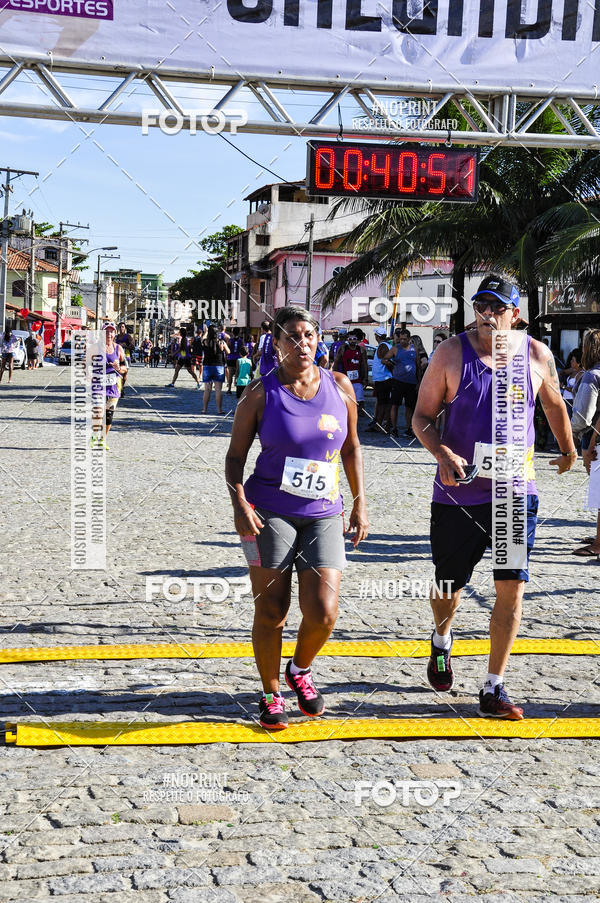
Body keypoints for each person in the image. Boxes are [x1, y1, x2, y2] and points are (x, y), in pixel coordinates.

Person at [413, 274, 577, 719]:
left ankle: (493, 686)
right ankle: (442, 640)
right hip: (458, 495)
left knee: (511, 587)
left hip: (513, 493)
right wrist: (441, 450)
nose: (488, 314)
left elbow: (554, 404)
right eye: (482, 305)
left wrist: (568, 450)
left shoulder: (536, 354)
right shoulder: (450, 353)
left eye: (498, 307)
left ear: (515, 315)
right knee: (449, 584)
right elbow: (423, 418)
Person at [225, 305, 369, 730]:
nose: (302, 342)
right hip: (269, 511)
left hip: (324, 511)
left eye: (309, 334)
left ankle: (300, 669)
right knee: (273, 609)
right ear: (277, 342)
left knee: (323, 611)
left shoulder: (340, 387)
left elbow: (352, 448)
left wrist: (359, 501)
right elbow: (235, 457)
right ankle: (271, 692)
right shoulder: (260, 393)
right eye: (292, 335)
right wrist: (239, 502)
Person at [571, 329, 600, 557]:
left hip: (594, 440)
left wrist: (568, 430)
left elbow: (583, 417)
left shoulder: (592, 376)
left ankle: (599, 543)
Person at [91, 322, 128, 450]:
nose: (109, 334)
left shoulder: (118, 349)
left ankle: (102, 439)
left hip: (113, 384)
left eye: (112, 331)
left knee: (109, 415)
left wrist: (119, 367)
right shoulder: (95, 348)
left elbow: (126, 367)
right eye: (107, 331)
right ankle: (94, 436)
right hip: (98, 383)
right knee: (99, 412)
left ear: (115, 334)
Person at [385, 327, 418, 438]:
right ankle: (394, 428)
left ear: (409, 339)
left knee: (410, 407)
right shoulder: (395, 349)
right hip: (398, 381)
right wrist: (391, 364)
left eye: (404, 339)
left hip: (411, 382)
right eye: (401, 339)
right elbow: (384, 359)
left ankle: (409, 428)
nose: (402, 341)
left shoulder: (415, 349)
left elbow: (418, 365)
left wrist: (419, 381)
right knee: (395, 405)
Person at [334, 331, 368, 415]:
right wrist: (335, 376)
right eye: (350, 339)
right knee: (345, 401)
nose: (352, 341)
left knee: (360, 402)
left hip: (358, 380)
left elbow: (364, 364)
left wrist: (365, 378)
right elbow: (336, 362)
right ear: (347, 340)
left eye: (354, 339)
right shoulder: (343, 349)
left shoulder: (361, 349)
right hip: (346, 381)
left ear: (357, 340)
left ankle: (357, 418)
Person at [367, 325, 393, 434]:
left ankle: (382, 424)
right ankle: (381, 423)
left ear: (377, 336)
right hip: (383, 379)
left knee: (383, 403)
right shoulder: (385, 345)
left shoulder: (383, 346)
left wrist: (390, 371)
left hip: (384, 379)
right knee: (383, 402)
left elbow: (386, 361)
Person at [202, 325, 229, 413]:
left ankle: (204, 409)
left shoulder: (205, 342)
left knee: (207, 389)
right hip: (219, 366)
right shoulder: (221, 342)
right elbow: (228, 352)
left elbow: (202, 339)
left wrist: (205, 332)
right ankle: (219, 410)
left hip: (207, 366)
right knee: (218, 390)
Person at [560, 348, 583, 417]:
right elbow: (562, 372)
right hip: (565, 399)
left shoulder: (581, 373)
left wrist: (563, 387)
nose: (571, 361)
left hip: (571, 401)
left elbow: (574, 389)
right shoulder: (573, 370)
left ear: (578, 363)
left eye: (573, 360)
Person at [115, 323, 134, 397]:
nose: (121, 328)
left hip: (126, 356)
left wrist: (123, 345)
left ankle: (122, 387)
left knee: (124, 373)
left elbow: (132, 346)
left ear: (125, 328)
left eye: (122, 327)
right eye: (120, 327)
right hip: (117, 357)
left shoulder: (128, 336)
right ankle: (118, 389)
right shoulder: (116, 337)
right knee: (117, 373)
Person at [225, 327, 243, 393]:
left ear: (232, 332)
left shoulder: (230, 340)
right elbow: (242, 349)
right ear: (239, 332)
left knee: (230, 375)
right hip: (238, 358)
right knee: (238, 374)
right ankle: (237, 389)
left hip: (230, 358)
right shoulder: (241, 340)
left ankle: (229, 389)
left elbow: (227, 348)